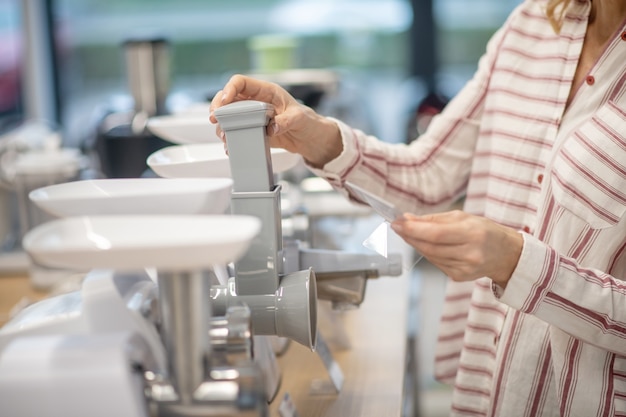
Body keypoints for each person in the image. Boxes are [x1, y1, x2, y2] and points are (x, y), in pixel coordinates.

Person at [210, 0, 626, 415]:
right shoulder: (531, 25)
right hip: (493, 381)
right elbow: (429, 173)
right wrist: (313, 134)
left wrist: (519, 263)